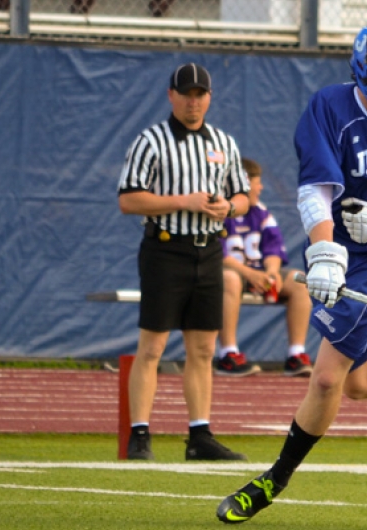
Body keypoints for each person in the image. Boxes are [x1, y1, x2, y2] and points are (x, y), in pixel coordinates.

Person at [216, 21, 367, 524]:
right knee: (361, 382)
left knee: (327, 379)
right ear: (365, 68)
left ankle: (273, 479)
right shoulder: (332, 107)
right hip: (339, 251)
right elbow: (315, 189)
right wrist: (325, 251)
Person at [117, 62, 251, 461]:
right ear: (171, 95)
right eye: (186, 93)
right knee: (153, 345)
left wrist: (227, 207)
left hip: (209, 249)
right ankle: (139, 433)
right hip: (165, 247)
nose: (194, 101)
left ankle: (200, 435)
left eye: (200, 94)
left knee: (203, 349)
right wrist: (184, 201)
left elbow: (243, 198)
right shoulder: (151, 141)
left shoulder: (224, 142)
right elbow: (128, 199)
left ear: (209, 97)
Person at [216, 157, 314, 378]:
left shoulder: (260, 212)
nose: (260, 187)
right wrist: (251, 274)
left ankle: (296, 354)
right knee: (229, 279)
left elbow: (273, 249)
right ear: (240, 184)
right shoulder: (219, 210)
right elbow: (217, 255)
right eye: (256, 182)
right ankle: (228, 353)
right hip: (230, 276)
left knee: (300, 281)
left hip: (257, 274)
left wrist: (270, 272)